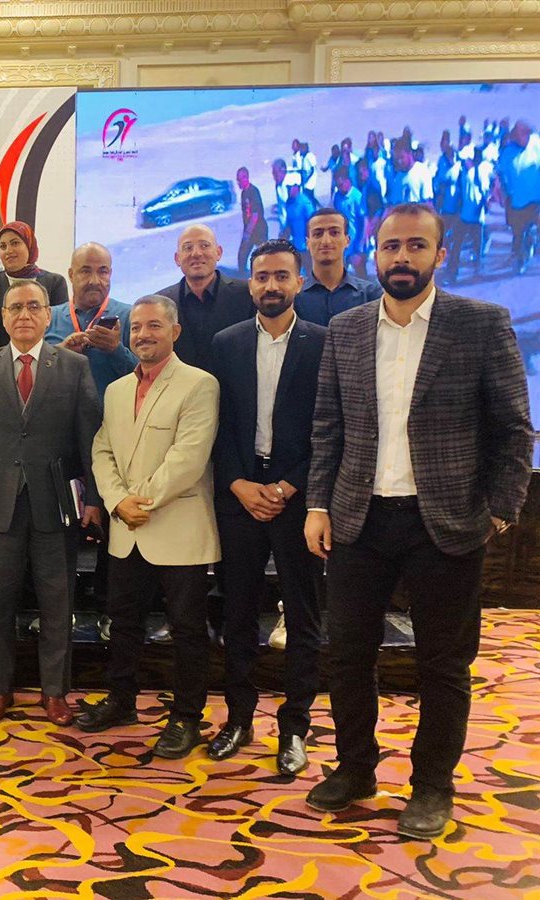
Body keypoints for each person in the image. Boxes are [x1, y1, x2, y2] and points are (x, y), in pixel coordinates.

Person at [304, 203, 532, 839]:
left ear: (440, 254)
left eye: (415, 246)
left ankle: (432, 786)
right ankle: (355, 769)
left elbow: (513, 428)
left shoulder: (480, 323)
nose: (401, 257)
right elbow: (328, 427)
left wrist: (500, 511)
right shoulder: (347, 329)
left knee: (443, 664)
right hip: (359, 520)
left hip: (446, 524)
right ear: (373, 254)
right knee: (348, 657)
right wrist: (318, 504)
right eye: (391, 247)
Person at [76, 294, 219, 758]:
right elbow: (102, 449)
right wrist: (117, 501)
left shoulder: (199, 384)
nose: (143, 335)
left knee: (187, 630)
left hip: (177, 527)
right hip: (127, 528)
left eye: (154, 326)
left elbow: (189, 458)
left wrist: (141, 501)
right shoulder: (117, 389)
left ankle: (187, 717)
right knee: (123, 623)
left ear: (175, 332)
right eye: (136, 327)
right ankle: (121, 701)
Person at [0, 280, 102, 727]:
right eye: (15, 307)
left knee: (57, 602)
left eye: (33, 306)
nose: (24, 314)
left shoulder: (74, 366)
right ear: (3, 317)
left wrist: (93, 498)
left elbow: (89, 438)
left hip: (56, 503)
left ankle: (54, 692)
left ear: (47, 315)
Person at [207, 240, 325, 776]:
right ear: (250, 283)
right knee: (237, 613)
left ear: (299, 281)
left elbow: (332, 426)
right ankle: (238, 718)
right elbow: (217, 424)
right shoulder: (226, 342)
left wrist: (290, 485)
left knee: (303, 615)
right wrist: (236, 483)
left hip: (298, 499)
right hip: (240, 495)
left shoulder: (324, 342)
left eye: (281, 276)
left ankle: (295, 727)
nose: (271, 285)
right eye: (261, 276)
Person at [156, 223, 253, 374]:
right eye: (188, 248)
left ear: (218, 252)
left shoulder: (247, 294)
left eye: (204, 245)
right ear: (177, 258)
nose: (196, 253)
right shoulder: (160, 303)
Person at [45, 242, 136, 398]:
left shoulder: (130, 317)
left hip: (113, 412)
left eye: (103, 272)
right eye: (85, 271)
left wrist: (116, 350)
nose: (94, 281)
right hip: (59, 412)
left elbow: (147, 376)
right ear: (71, 275)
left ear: (110, 274)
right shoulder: (48, 318)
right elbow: (31, 375)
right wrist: (59, 353)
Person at [0, 221, 70, 358]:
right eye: (3, 246)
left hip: (46, 362)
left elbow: (58, 330)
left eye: (15, 243)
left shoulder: (55, 282)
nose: (8, 250)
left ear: (29, 245)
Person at [295, 208, 382, 326]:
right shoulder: (294, 296)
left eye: (334, 233)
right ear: (307, 243)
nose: (326, 241)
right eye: (318, 234)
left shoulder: (371, 295)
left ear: (347, 240)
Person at [497, 120, 540, 275]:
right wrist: (503, 194)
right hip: (517, 202)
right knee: (519, 233)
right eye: (519, 135)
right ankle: (520, 259)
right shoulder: (508, 152)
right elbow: (501, 175)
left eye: (526, 135)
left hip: (537, 199)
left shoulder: (537, 144)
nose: (523, 138)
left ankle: (532, 244)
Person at [448, 145, 491, 281]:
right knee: (456, 245)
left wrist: (483, 207)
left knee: (476, 247)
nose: (464, 162)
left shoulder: (479, 173)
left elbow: (485, 194)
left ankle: (477, 271)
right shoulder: (463, 173)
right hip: (463, 217)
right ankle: (453, 273)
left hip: (476, 218)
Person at [236, 167, 268, 275]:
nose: (238, 183)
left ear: (246, 178)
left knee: (264, 256)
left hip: (259, 230)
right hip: (249, 229)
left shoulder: (253, 191)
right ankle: (241, 276)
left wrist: (248, 232)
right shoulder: (243, 193)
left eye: (240, 179)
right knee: (242, 255)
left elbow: (255, 214)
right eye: (237, 180)